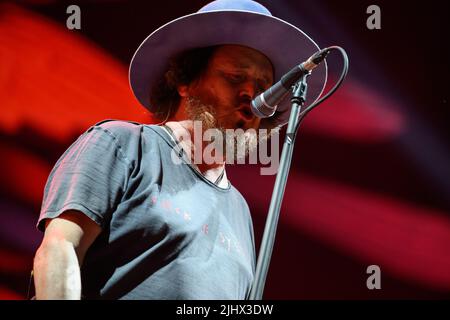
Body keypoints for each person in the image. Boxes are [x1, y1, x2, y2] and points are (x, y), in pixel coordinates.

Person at [32, 0, 326, 299]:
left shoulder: (239, 211)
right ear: (185, 81)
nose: (251, 95)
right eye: (235, 77)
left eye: (264, 87)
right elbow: (60, 248)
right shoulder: (122, 143)